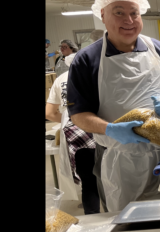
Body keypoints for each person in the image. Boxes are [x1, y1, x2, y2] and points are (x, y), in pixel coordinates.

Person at [67, 0, 160, 212]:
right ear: (103, 15)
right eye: (119, 12)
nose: (129, 20)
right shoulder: (87, 60)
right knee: (126, 217)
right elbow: (78, 114)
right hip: (119, 159)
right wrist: (109, 129)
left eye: (134, 13)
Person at [46, 53, 101, 214]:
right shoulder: (98, 73)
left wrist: (71, 120)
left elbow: (49, 113)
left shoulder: (60, 79)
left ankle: (93, 222)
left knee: (89, 182)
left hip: (76, 136)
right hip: (102, 130)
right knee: (112, 177)